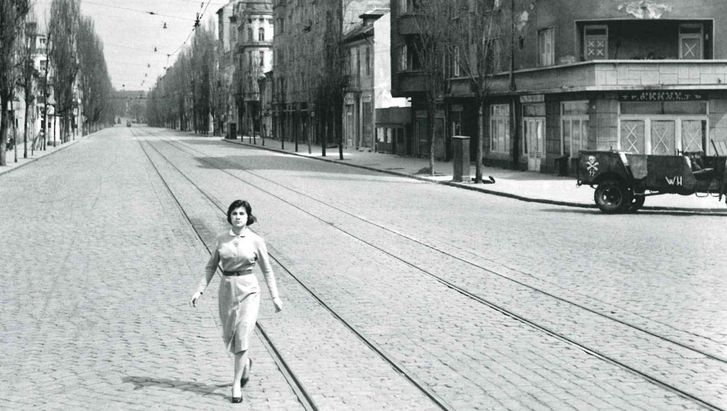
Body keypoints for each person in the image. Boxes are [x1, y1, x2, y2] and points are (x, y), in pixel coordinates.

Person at [190, 199, 283, 403]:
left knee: (242, 335)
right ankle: (246, 364)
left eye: (241, 213)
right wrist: (200, 290)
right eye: (234, 213)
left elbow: (267, 270)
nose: (238, 217)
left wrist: (275, 296)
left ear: (248, 217)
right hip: (227, 290)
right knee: (229, 336)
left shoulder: (256, 240)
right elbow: (211, 266)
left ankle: (235, 385)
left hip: (249, 290)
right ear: (229, 216)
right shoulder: (221, 239)